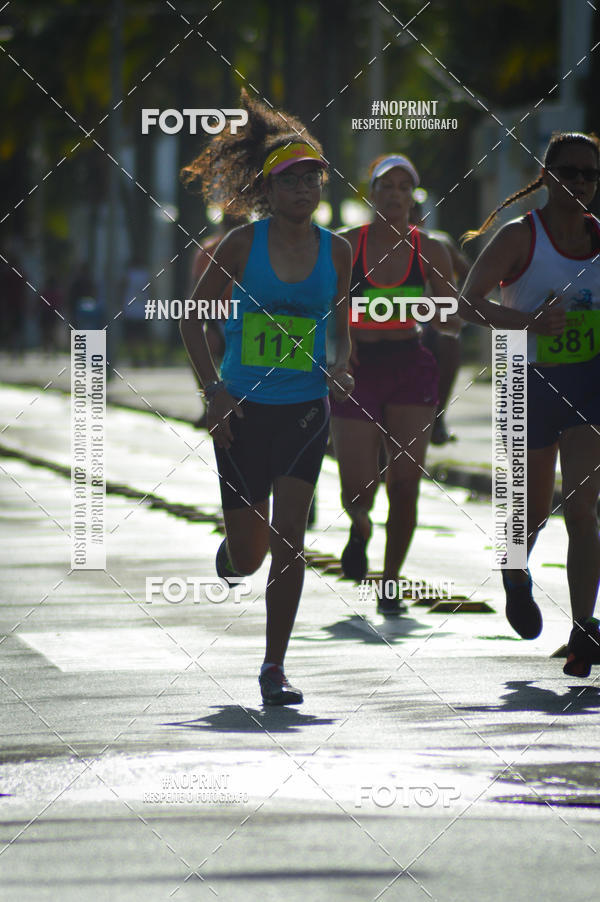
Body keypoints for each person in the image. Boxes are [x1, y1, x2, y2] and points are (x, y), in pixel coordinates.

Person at [180, 89, 354, 705]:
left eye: (313, 179)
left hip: (306, 408)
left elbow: (340, 325)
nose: (303, 190)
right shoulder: (240, 247)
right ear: (270, 189)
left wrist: (342, 367)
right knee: (251, 557)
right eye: (290, 181)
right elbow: (193, 319)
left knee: (291, 542)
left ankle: (274, 667)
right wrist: (214, 390)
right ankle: (231, 554)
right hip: (244, 410)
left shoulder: (338, 250)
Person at [459, 131, 600, 677]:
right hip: (528, 382)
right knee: (534, 511)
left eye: (591, 174)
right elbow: (468, 305)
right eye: (570, 172)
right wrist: (529, 324)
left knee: (584, 510)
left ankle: (583, 628)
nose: (581, 183)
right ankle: (515, 572)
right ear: (547, 175)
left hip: (587, 382)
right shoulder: (521, 237)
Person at [330, 154, 460, 615]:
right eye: (387, 186)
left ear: (413, 197)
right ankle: (360, 526)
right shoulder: (346, 245)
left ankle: (390, 582)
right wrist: (340, 348)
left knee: (405, 484)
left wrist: (461, 316)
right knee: (358, 488)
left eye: (405, 188)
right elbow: (327, 307)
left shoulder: (432, 249)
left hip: (408, 365)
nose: (396, 195)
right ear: (372, 193)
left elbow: (449, 317)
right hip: (358, 369)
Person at [413, 202, 471, 445]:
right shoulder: (376, 245)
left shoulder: (439, 243)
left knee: (449, 340)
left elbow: (470, 273)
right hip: (390, 323)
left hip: (430, 323)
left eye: (414, 214)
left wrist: (455, 304)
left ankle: (438, 417)